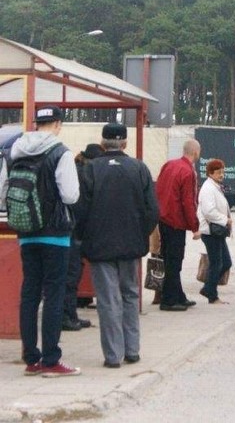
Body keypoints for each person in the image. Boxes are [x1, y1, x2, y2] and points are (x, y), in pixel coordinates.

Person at [75, 123, 159, 368]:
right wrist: (140, 234)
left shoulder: (91, 169)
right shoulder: (139, 169)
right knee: (130, 295)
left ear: (102, 143)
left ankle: (113, 355)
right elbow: (152, 210)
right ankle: (132, 350)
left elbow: (80, 209)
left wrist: (85, 236)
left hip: (100, 246)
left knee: (108, 300)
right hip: (131, 245)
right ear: (125, 143)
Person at [8, 106, 81, 377]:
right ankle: (51, 359)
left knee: (29, 293)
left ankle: (31, 359)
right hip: (55, 234)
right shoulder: (61, 152)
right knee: (53, 294)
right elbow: (71, 195)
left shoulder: (17, 150)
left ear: (37, 123)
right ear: (58, 124)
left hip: (26, 232)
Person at [155, 139, 201, 311]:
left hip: (163, 219)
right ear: (196, 153)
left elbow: (159, 189)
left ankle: (178, 295)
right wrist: (195, 226)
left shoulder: (169, 165)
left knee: (168, 258)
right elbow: (188, 202)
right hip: (176, 222)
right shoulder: (188, 172)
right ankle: (169, 300)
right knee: (175, 261)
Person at [62, 143, 104, 331]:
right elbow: (80, 206)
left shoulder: (77, 169)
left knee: (71, 273)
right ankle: (67, 317)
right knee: (71, 274)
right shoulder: (85, 174)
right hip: (73, 230)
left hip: (70, 228)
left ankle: (70, 315)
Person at [197, 158, 233, 304]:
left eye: (223, 172)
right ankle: (211, 294)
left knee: (226, 262)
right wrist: (226, 220)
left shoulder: (215, 186)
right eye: (218, 172)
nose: (221, 175)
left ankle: (208, 288)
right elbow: (209, 211)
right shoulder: (208, 188)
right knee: (217, 263)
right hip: (210, 232)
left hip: (217, 231)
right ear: (210, 173)